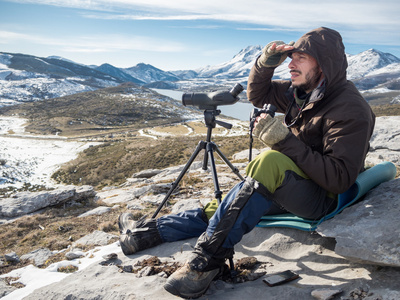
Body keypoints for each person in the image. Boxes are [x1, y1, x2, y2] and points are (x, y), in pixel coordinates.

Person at [118, 27, 375, 299]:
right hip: (295, 183)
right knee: (227, 207)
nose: (291, 63)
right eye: (290, 57)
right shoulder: (301, 91)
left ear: (323, 65)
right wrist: (265, 65)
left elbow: (339, 179)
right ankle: (144, 235)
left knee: (270, 161)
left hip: (321, 197)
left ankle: (204, 266)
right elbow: (258, 94)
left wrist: (284, 141)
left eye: (301, 57)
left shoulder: (351, 109)